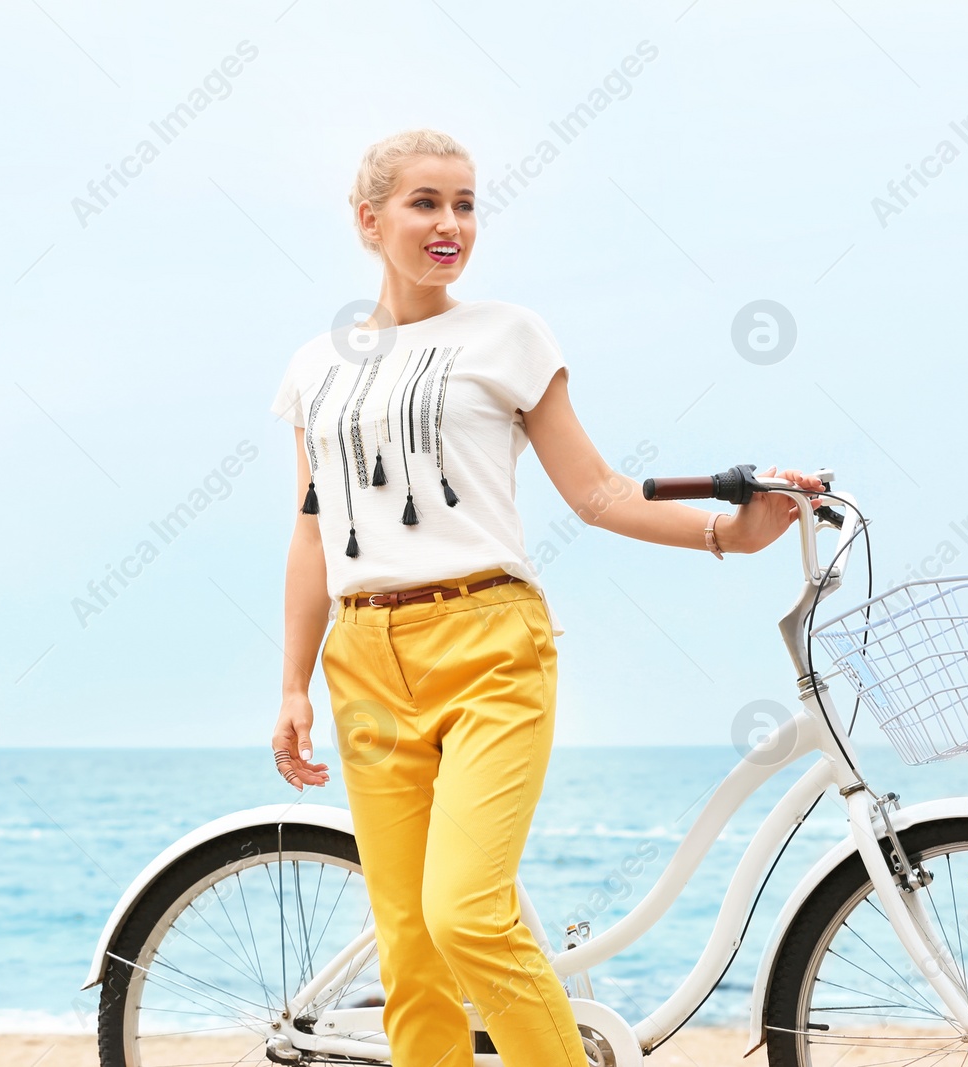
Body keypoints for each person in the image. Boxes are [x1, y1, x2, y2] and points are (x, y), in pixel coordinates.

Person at [268, 127, 825, 1067]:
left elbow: (599, 492)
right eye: (426, 203)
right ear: (368, 220)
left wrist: (732, 532)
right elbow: (312, 533)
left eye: (467, 204)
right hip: (362, 660)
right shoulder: (314, 371)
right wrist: (292, 684)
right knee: (410, 950)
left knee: (466, 914)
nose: (451, 223)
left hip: (489, 643)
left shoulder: (508, 336)